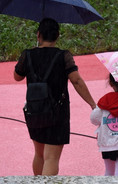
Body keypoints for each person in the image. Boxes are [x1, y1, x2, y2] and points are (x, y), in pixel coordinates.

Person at [14, 18, 96, 176]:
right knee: (51, 158)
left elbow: (17, 76)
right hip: (57, 112)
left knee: (39, 154)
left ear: (38, 35)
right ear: (57, 36)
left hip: (35, 109)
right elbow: (76, 80)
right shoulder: (63, 56)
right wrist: (92, 104)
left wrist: (30, 56)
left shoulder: (27, 54)